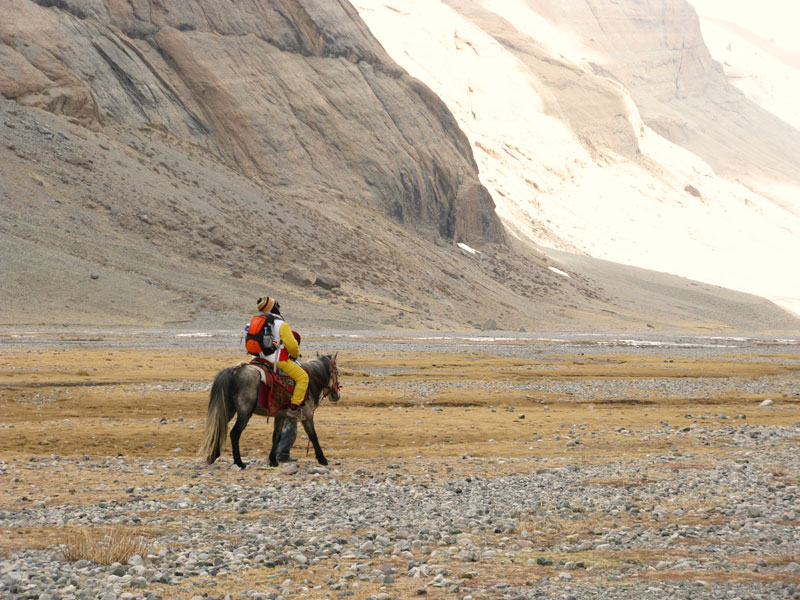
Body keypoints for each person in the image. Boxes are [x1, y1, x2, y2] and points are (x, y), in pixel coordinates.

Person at [255, 296, 308, 417]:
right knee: (303, 378)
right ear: (274, 308)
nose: (279, 308)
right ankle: (293, 408)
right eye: (277, 305)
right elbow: (292, 346)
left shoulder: (258, 321)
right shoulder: (281, 324)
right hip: (277, 359)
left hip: (258, 358)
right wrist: (295, 355)